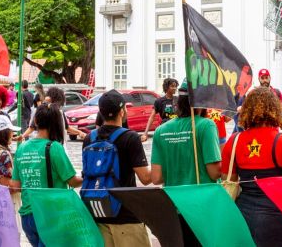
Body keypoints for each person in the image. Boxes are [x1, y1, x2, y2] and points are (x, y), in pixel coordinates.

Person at [222, 87, 282, 247]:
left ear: (246, 111)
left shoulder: (234, 141)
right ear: (275, 110)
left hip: (244, 218)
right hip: (279, 220)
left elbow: (228, 181)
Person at [82, 89, 152, 247]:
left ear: (101, 112)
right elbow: (146, 179)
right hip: (126, 218)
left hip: (98, 214)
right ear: (122, 111)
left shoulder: (89, 138)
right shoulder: (130, 138)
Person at [12, 106, 82, 247]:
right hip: (50, 216)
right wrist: (90, 178)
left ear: (36, 121)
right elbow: (73, 182)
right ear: (56, 123)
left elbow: (15, 185)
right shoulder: (54, 147)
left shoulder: (22, 148)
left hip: (28, 217)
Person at [151, 82, 222, 186]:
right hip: (202, 197)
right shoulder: (207, 126)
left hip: (172, 198)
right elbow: (215, 173)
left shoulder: (160, 131)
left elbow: (156, 178)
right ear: (201, 101)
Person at [18, 87, 83, 142]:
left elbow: (67, 127)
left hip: (49, 144)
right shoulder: (45, 110)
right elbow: (32, 127)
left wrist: (79, 132)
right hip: (52, 144)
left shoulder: (59, 112)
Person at [142, 78, 178, 142]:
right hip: (165, 130)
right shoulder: (159, 101)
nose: (174, 88)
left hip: (177, 130)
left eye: (175, 86)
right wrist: (145, 133)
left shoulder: (178, 100)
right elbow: (152, 117)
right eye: (172, 86)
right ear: (166, 87)